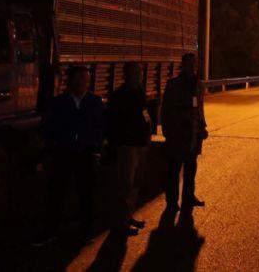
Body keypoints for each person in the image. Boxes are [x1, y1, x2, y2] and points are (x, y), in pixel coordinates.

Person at [33, 65, 104, 246]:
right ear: (70, 80)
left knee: (86, 192)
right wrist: (50, 147)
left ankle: (85, 230)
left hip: (85, 151)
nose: (82, 82)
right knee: (56, 192)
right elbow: (49, 127)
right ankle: (50, 230)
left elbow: (100, 126)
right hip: (63, 151)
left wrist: (97, 147)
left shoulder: (94, 102)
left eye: (85, 78)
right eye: (79, 78)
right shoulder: (59, 103)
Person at [106, 61, 151, 235]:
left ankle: (128, 216)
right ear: (125, 76)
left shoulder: (139, 92)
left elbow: (145, 114)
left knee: (135, 184)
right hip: (127, 146)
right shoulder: (120, 96)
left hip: (140, 144)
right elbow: (112, 122)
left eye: (139, 73)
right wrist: (116, 143)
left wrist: (147, 135)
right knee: (125, 185)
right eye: (134, 73)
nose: (138, 76)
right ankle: (121, 224)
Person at [161, 53, 208, 215]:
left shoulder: (198, 85)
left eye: (195, 64)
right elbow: (166, 109)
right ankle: (172, 202)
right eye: (190, 63)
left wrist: (202, 127)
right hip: (177, 134)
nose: (193, 66)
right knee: (174, 170)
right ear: (183, 65)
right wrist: (167, 131)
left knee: (191, 168)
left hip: (193, 134)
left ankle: (188, 197)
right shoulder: (174, 85)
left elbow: (200, 108)